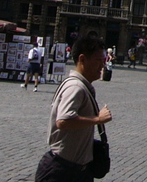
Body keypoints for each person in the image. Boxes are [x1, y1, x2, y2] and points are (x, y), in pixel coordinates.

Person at [34, 36, 113, 182]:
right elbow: (63, 121)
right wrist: (98, 119)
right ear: (82, 59)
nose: (102, 66)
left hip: (77, 169)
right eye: (98, 60)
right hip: (63, 171)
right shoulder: (75, 87)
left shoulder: (82, 86)